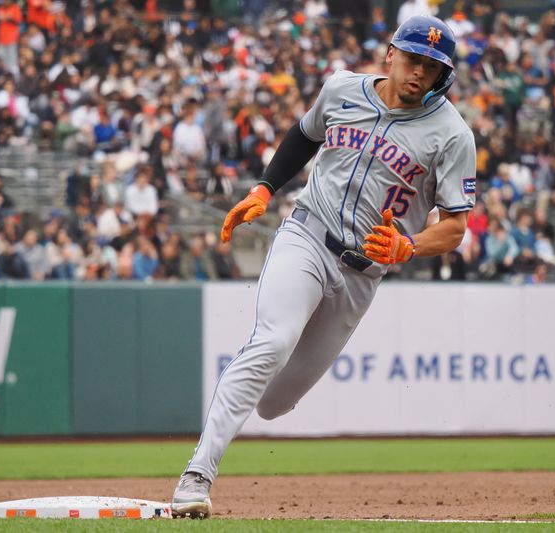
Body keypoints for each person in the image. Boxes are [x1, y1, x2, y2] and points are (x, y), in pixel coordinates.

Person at [171, 16, 475, 519]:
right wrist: (264, 188)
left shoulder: (452, 133)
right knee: (272, 339)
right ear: (391, 55)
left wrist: (409, 247)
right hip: (308, 236)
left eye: (431, 66)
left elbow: (455, 227)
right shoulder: (341, 89)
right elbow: (303, 135)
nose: (420, 72)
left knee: (274, 403)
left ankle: (240, 402)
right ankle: (197, 474)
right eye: (414, 58)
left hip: (362, 274)